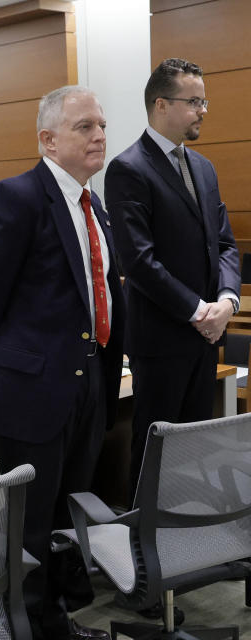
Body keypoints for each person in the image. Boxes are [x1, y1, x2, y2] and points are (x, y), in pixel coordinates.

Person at [0, 86, 125, 640]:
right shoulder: (17, 198)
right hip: (33, 390)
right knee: (30, 524)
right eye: (84, 127)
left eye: (101, 125)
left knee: (66, 517)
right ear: (48, 140)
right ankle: (26, 625)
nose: (99, 134)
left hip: (89, 384)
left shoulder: (93, 203)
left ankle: (57, 619)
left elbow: (100, 290)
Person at [105, 57, 239, 497]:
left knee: (195, 449)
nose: (203, 110)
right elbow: (139, 262)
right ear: (161, 105)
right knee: (156, 451)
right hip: (162, 339)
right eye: (194, 101)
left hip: (205, 335)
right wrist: (199, 310)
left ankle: (189, 538)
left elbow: (223, 244)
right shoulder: (128, 169)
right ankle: (147, 548)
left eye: (204, 100)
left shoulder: (203, 167)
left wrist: (226, 301)